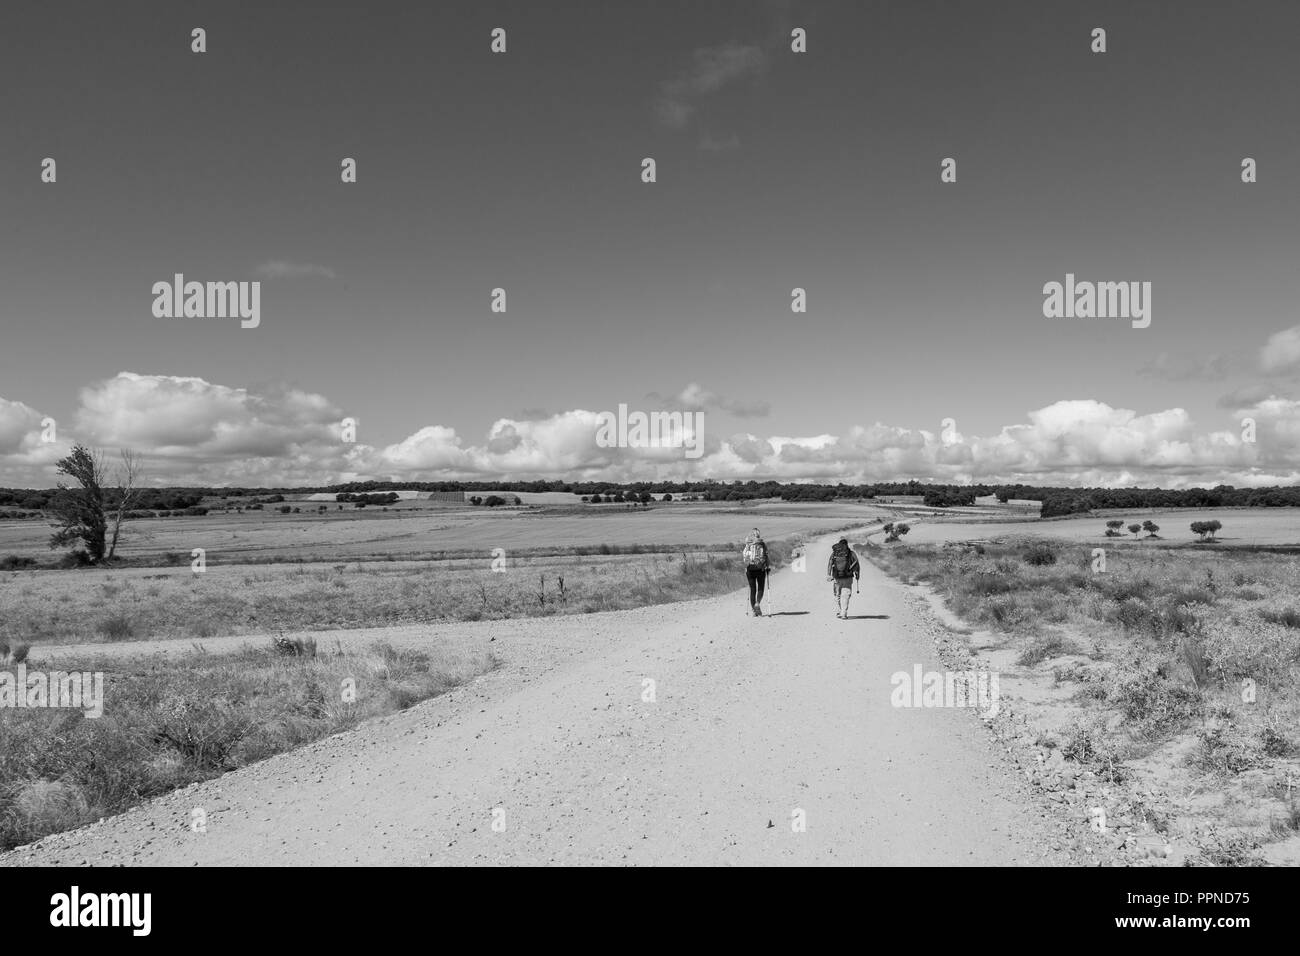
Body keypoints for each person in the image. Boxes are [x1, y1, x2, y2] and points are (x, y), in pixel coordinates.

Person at [826, 537, 860, 618]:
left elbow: (830, 563)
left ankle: (838, 611)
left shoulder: (834, 553)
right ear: (847, 545)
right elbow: (857, 564)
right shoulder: (851, 553)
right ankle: (844, 613)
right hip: (848, 577)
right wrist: (857, 575)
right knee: (846, 595)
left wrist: (829, 574)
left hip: (836, 577)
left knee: (837, 594)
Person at [742, 528, 770, 616]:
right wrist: (767, 567)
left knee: (752, 590)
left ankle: (754, 611)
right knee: (760, 588)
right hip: (760, 568)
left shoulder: (748, 544)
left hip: (750, 569)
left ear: (751, 535)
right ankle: (757, 603)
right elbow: (766, 556)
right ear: (759, 535)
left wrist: (746, 567)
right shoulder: (762, 544)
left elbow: (744, 556)